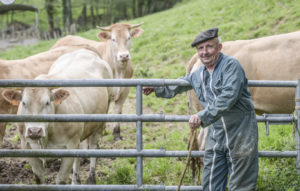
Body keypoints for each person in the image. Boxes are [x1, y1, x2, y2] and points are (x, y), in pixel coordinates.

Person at [143, 28, 258, 191]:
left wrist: (202, 116)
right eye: (200, 49)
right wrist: (157, 87)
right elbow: (180, 84)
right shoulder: (199, 74)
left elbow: (227, 98)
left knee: (240, 185)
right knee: (211, 182)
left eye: (209, 47)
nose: (204, 52)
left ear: (219, 47)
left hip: (240, 133)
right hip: (216, 134)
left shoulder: (231, 66)